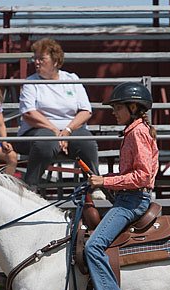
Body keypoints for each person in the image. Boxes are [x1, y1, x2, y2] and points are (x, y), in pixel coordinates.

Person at [84, 82, 158, 290]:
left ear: (133, 106)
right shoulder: (134, 130)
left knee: (93, 246)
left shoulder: (136, 133)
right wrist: (108, 180)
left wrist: (105, 181)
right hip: (128, 197)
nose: (113, 111)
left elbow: (143, 176)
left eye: (117, 107)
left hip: (132, 201)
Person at [15, 38, 98, 189]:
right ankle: (30, 187)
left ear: (55, 61)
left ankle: (95, 185)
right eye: (35, 58)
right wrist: (56, 131)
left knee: (87, 142)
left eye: (42, 59)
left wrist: (67, 131)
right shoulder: (30, 82)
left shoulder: (72, 79)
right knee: (45, 142)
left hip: (71, 130)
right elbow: (29, 114)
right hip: (38, 131)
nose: (37, 62)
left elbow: (86, 111)